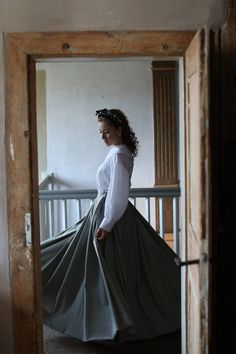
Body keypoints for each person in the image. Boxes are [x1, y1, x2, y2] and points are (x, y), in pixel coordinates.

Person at [41, 108, 181, 343]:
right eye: (100, 132)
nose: (102, 136)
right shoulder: (118, 152)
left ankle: (113, 325)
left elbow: (118, 194)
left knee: (105, 269)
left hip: (111, 216)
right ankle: (109, 324)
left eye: (107, 131)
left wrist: (107, 223)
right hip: (103, 212)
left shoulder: (119, 155)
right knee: (103, 268)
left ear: (119, 130)